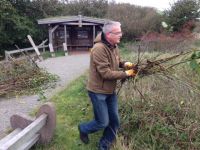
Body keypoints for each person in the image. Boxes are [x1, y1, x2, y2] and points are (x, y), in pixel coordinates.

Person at [78, 21, 136, 150]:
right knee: (102, 122)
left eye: (121, 31)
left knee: (114, 121)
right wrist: (126, 74)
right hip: (98, 91)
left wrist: (127, 64)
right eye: (118, 32)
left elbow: (117, 61)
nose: (121, 35)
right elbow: (105, 73)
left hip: (110, 91)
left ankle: (104, 146)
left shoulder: (114, 45)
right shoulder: (98, 49)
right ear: (109, 34)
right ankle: (83, 128)